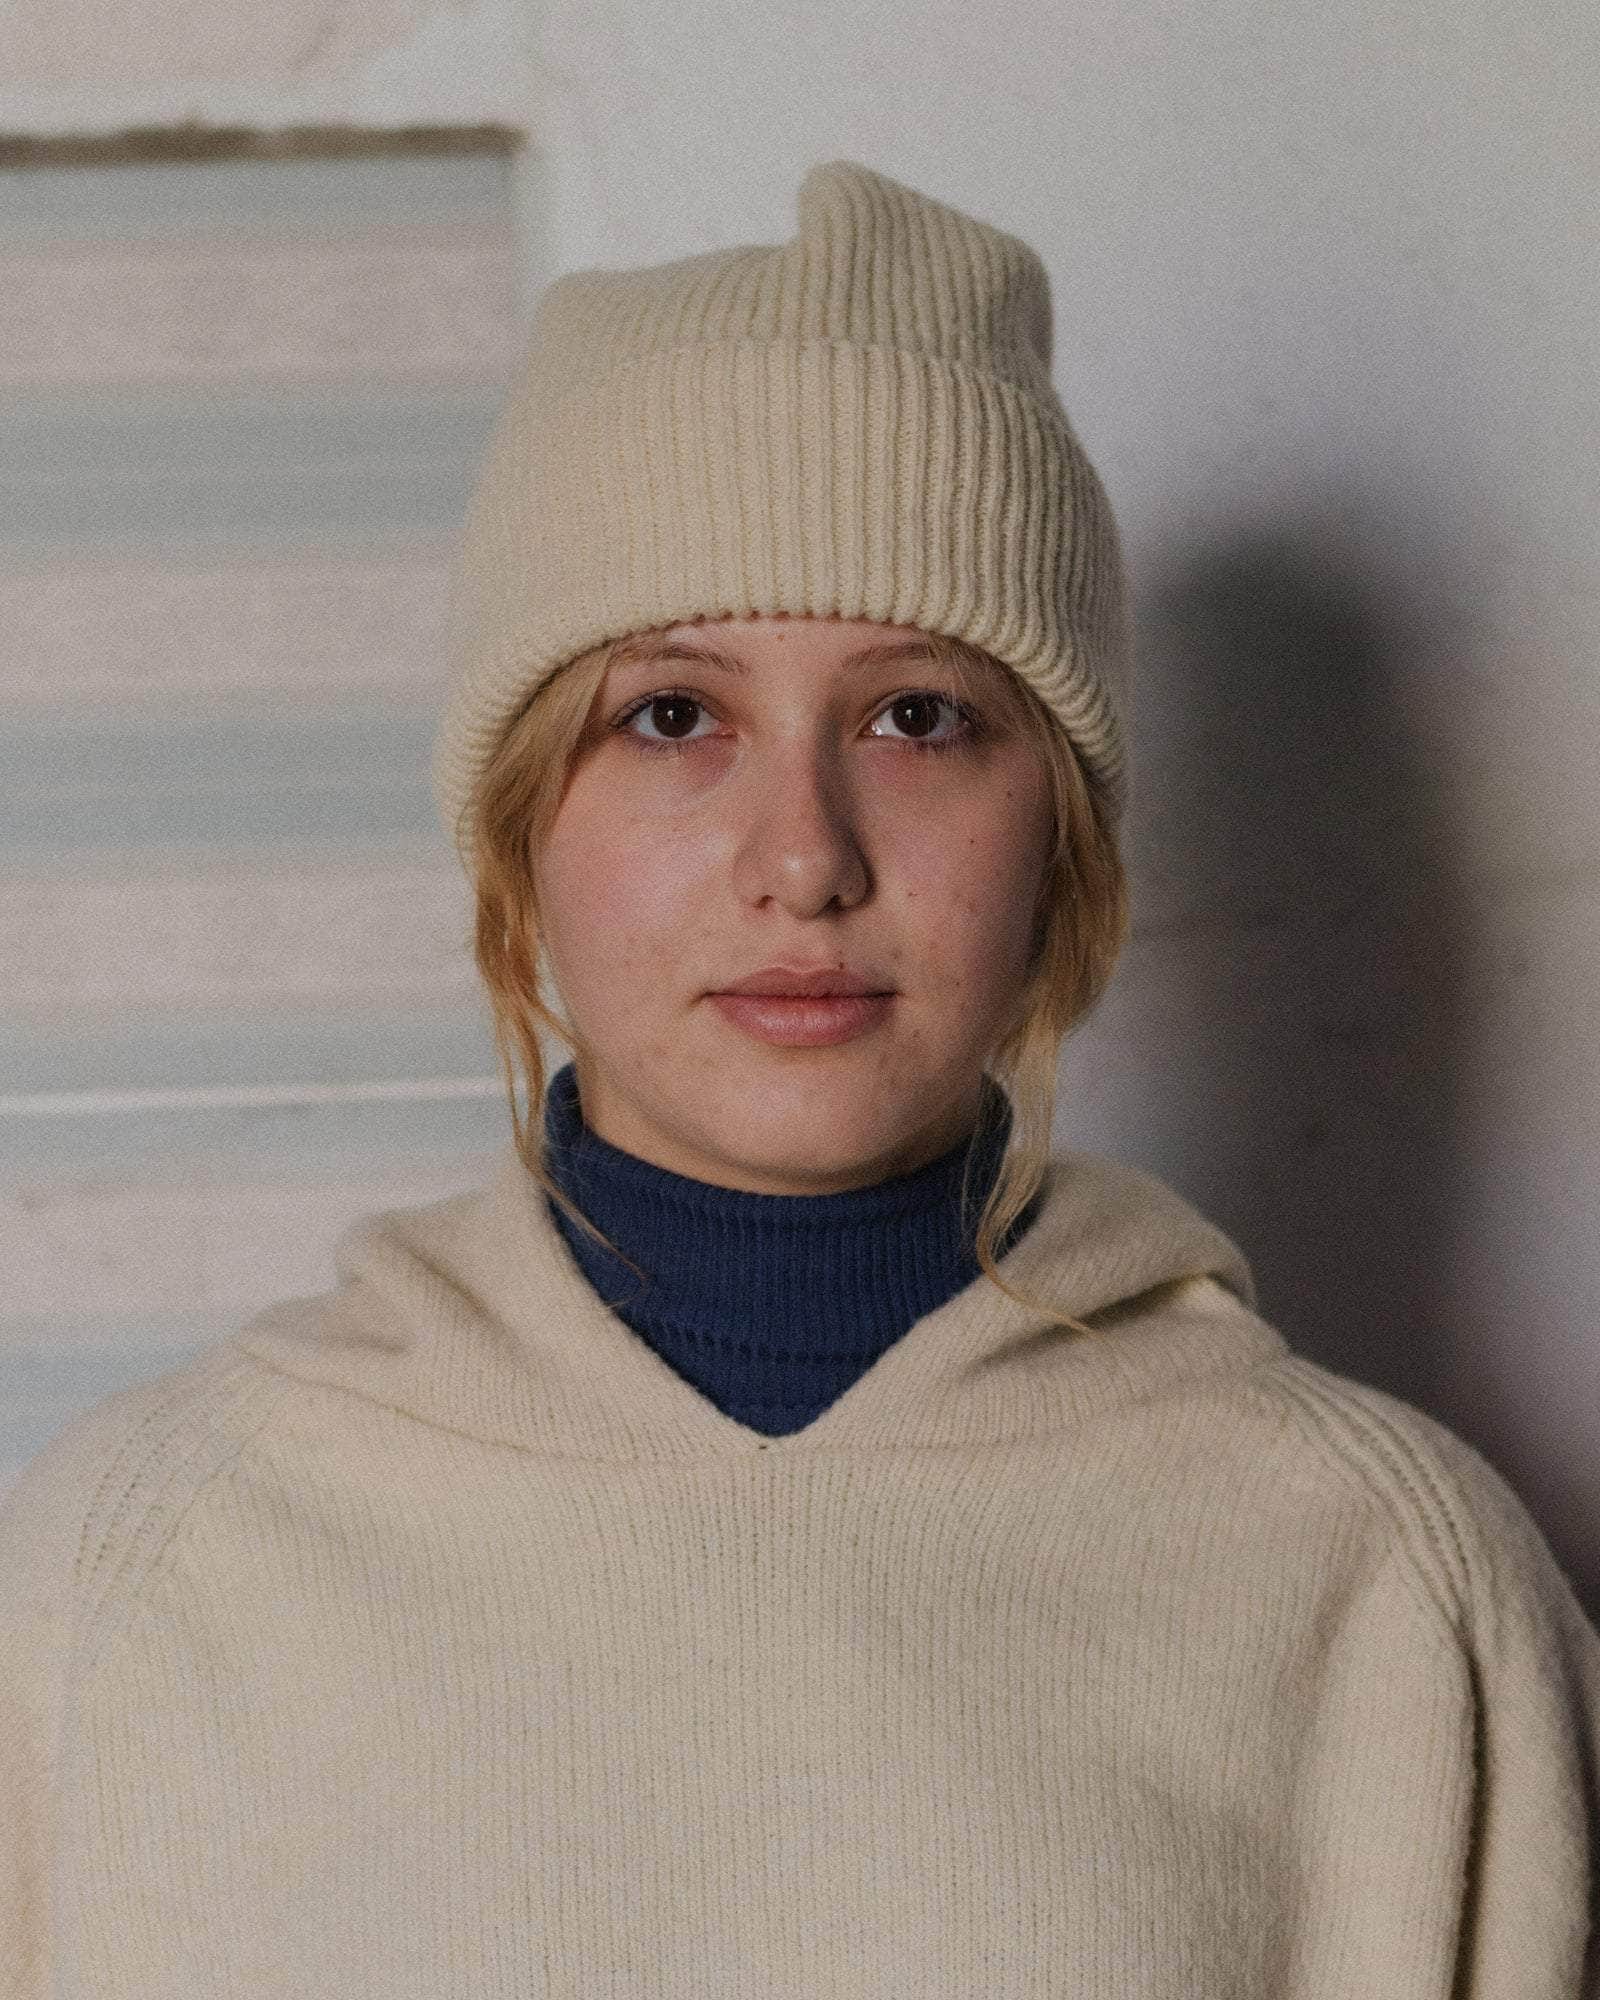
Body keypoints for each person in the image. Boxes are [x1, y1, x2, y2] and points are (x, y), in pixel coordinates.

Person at [2, 157, 1596, 1999]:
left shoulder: (1388, 1582)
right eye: (671, 715)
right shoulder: (143, 1559)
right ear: (519, 829)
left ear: (1061, 833)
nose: (805, 858)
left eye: (920, 717)